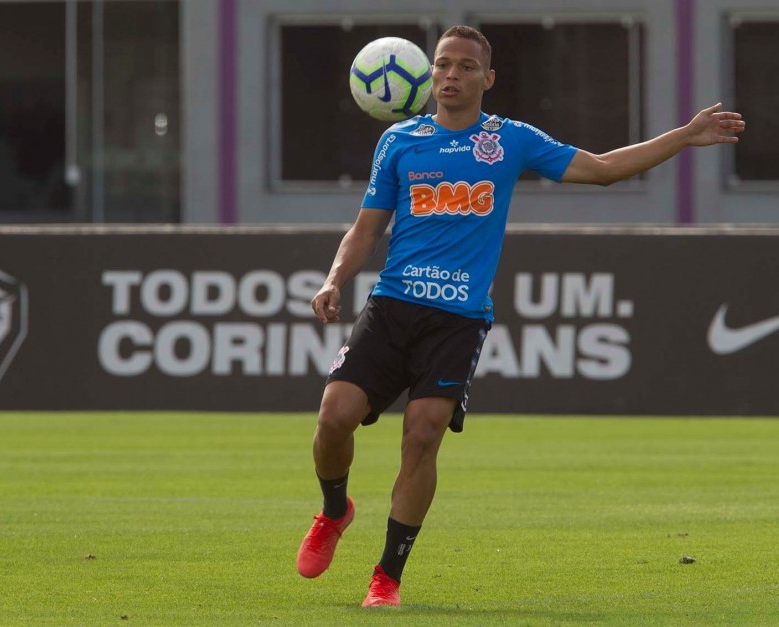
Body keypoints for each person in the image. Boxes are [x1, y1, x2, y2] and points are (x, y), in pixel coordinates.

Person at [296, 24, 745, 607]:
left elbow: (603, 168)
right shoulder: (400, 141)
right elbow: (366, 230)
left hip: (458, 318)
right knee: (335, 416)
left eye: (463, 66)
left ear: (488, 78)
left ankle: (386, 577)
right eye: (441, 65)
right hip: (393, 305)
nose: (450, 75)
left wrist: (684, 137)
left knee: (423, 433)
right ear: (427, 75)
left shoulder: (509, 140)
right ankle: (335, 511)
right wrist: (334, 280)